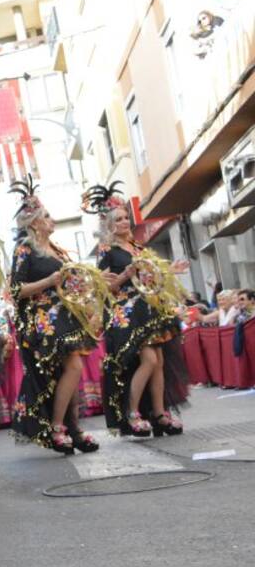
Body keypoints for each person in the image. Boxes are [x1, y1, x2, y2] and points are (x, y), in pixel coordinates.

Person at [85, 183, 191, 436]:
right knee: (149, 360)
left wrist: (170, 270)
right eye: (118, 219)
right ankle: (133, 413)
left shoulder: (139, 248)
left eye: (125, 218)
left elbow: (152, 277)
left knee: (159, 361)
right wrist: (125, 274)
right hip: (127, 313)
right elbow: (104, 288)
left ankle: (159, 413)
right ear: (109, 225)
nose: (124, 222)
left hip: (150, 310)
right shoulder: (107, 251)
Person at [9, 175, 100, 453]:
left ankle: (72, 428)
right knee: (73, 367)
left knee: (68, 372)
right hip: (43, 319)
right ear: (34, 222)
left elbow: (70, 283)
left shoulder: (57, 250)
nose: (52, 220)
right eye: (47, 216)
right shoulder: (25, 249)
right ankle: (58, 427)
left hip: (65, 315)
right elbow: (16, 289)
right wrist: (48, 282)